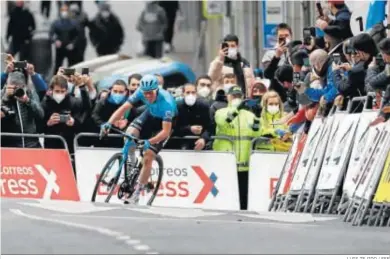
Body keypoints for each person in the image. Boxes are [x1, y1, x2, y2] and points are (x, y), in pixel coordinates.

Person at [100, 74, 177, 204]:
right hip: (150, 114)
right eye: (145, 93)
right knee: (129, 134)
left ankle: (137, 192)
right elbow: (124, 107)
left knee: (148, 156)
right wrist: (109, 123)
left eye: (150, 93)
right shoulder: (140, 91)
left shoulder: (167, 103)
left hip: (164, 125)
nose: (147, 96)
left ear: (157, 89)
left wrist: (149, 142)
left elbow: (165, 132)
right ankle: (131, 165)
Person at [212, 86, 259, 210]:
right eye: (234, 96)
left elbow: (257, 132)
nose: (236, 99)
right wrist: (237, 109)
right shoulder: (220, 112)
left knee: (244, 198)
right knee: (225, 195)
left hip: (245, 164)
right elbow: (224, 121)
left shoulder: (249, 115)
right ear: (228, 97)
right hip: (226, 162)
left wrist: (258, 116)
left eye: (239, 96)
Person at [1, 71, 44, 148]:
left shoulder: (31, 94)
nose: (15, 91)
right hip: (10, 143)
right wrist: (5, 98)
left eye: (18, 88)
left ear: (24, 86)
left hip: (31, 142)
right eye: (13, 87)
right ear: (7, 85)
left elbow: (40, 114)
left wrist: (28, 101)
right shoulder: (2, 94)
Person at [173, 83, 211, 150]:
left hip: (199, 146)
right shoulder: (176, 107)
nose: (191, 95)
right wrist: (189, 129)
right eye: (188, 92)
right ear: (183, 94)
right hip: (179, 146)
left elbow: (210, 127)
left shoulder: (203, 106)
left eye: (193, 92)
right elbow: (172, 129)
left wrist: (204, 138)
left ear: (196, 94)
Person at [49, 4, 80, 73]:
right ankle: (56, 80)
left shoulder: (74, 23)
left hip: (70, 47)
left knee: (71, 66)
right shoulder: (56, 23)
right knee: (58, 65)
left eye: (66, 11)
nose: (64, 13)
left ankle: (71, 80)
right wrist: (55, 41)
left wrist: (73, 44)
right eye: (63, 11)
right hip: (60, 47)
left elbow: (78, 36)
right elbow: (51, 34)